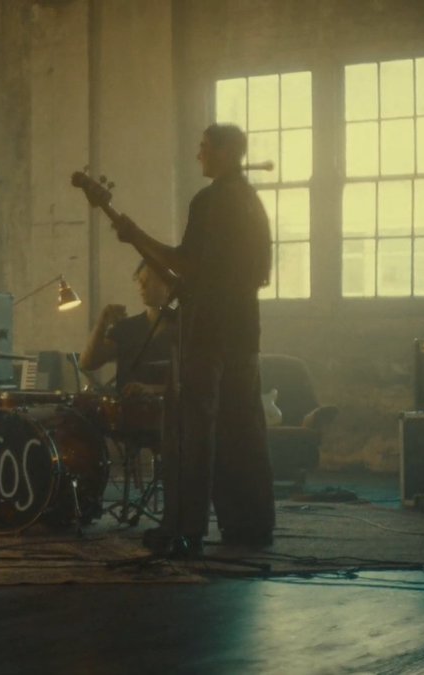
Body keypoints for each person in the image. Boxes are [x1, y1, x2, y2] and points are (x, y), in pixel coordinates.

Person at [111, 123, 275, 556]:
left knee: (190, 430)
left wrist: (136, 236)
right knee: (243, 429)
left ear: (225, 152)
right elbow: (260, 273)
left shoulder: (209, 200)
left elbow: (185, 263)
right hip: (245, 329)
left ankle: (183, 529)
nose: (198, 154)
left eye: (204, 147)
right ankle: (250, 525)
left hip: (206, 330)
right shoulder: (252, 202)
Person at [78, 260, 178, 394]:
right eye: (140, 280)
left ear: (168, 284)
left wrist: (152, 389)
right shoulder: (128, 328)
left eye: (149, 280)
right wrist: (101, 323)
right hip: (128, 405)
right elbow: (87, 363)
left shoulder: (184, 328)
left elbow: (194, 385)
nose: (142, 285)